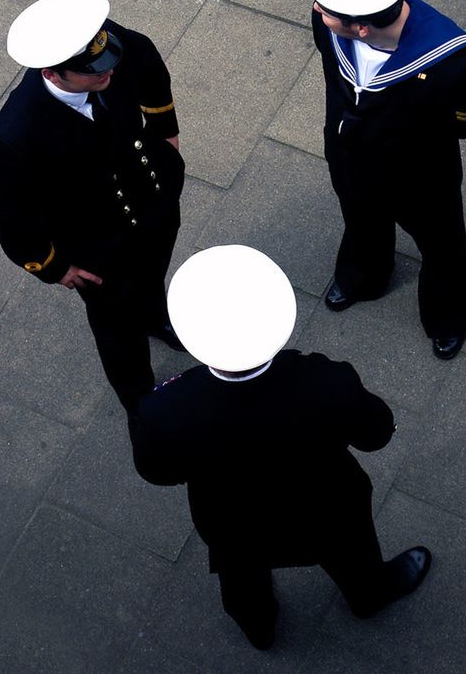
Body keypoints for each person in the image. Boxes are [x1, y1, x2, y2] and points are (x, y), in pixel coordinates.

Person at [131, 245, 431, 650]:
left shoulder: (160, 410)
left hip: (232, 522)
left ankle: (259, 629)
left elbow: (156, 471)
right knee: (354, 557)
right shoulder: (327, 381)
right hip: (327, 508)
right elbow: (376, 433)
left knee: (240, 580)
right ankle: (369, 597)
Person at [0, 0, 185, 415]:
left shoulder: (106, 48)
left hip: (153, 201)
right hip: (99, 250)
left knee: (153, 273)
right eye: (93, 73)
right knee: (117, 330)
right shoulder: (14, 136)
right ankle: (139, 398)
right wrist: (54, 266)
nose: (107, 73)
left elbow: (148, 65)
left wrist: (166, 132)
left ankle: (156, 315)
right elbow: (7, 215)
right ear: (54, 75)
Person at [305, 0, 466, 360]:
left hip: (420, 177)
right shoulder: (334, 20)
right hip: (349, 157)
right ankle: (364, 276)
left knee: (443, 247)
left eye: (326, 11)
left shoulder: (456, 66)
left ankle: (447, 317)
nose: (317, 11)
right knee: (360, 221)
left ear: (361, 25)